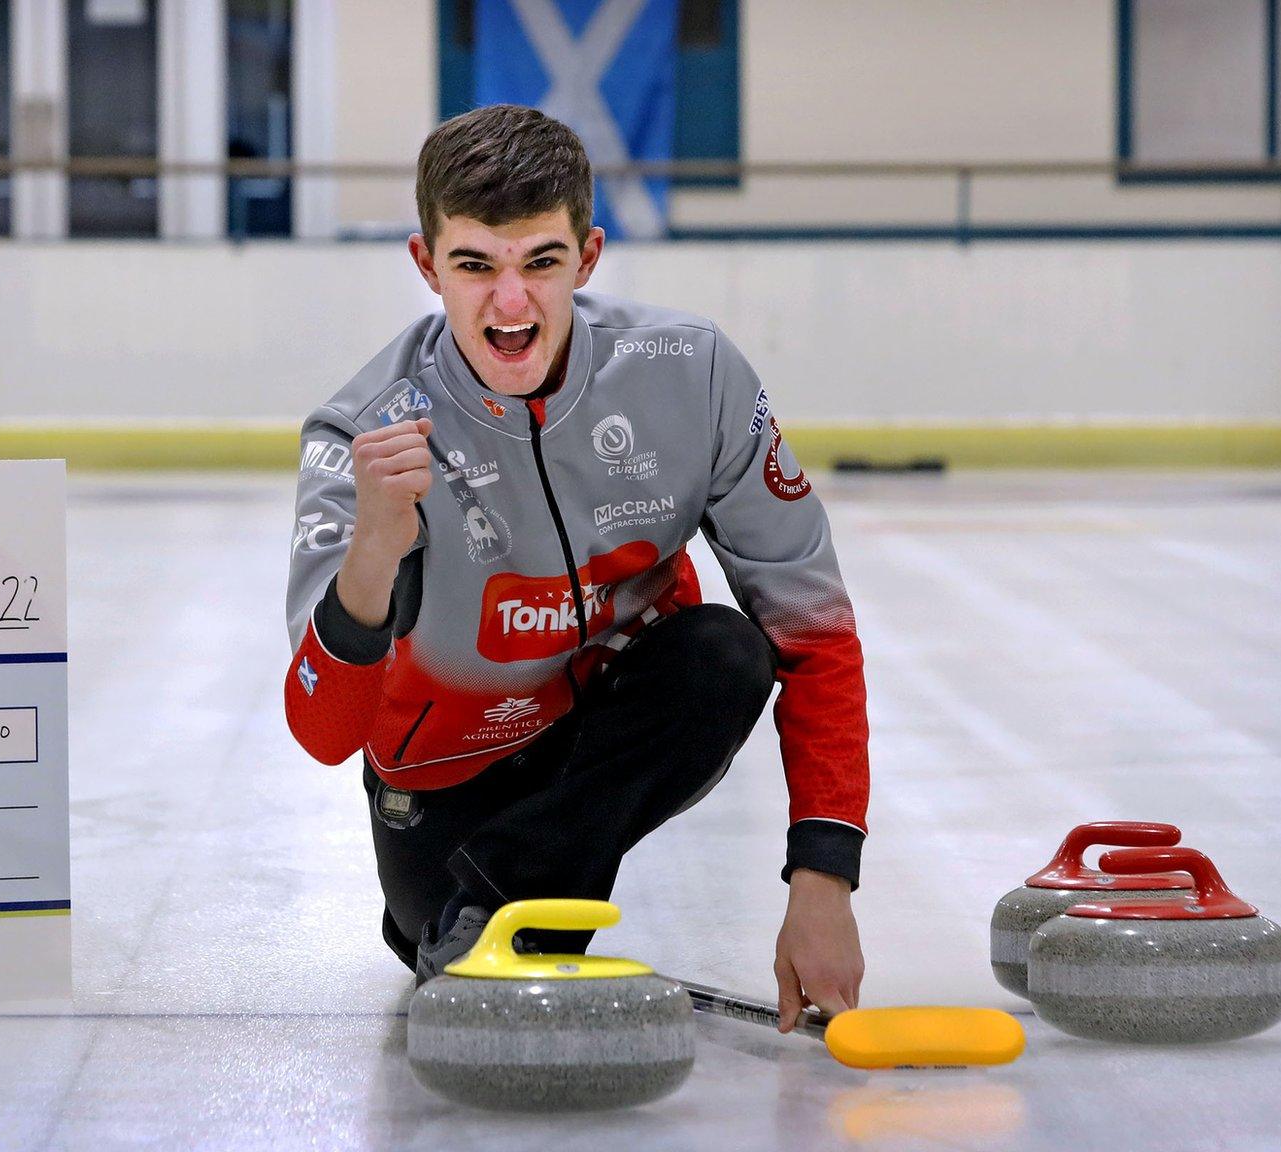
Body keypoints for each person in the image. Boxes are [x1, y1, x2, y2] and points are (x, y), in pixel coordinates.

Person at [282, 104, 868, 1031]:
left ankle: (503, 908)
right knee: (441, 926)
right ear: (426, 264)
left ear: (588, 258)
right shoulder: (366, 433)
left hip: (604, 728)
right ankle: (478, 908)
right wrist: (370, 555)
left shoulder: (695, 376)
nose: (511, 307)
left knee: (725, 652)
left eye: (541, 264)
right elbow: (321, 729)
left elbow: (813, 627)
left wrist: (825, 877)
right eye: (475, 265)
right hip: (442, 791)